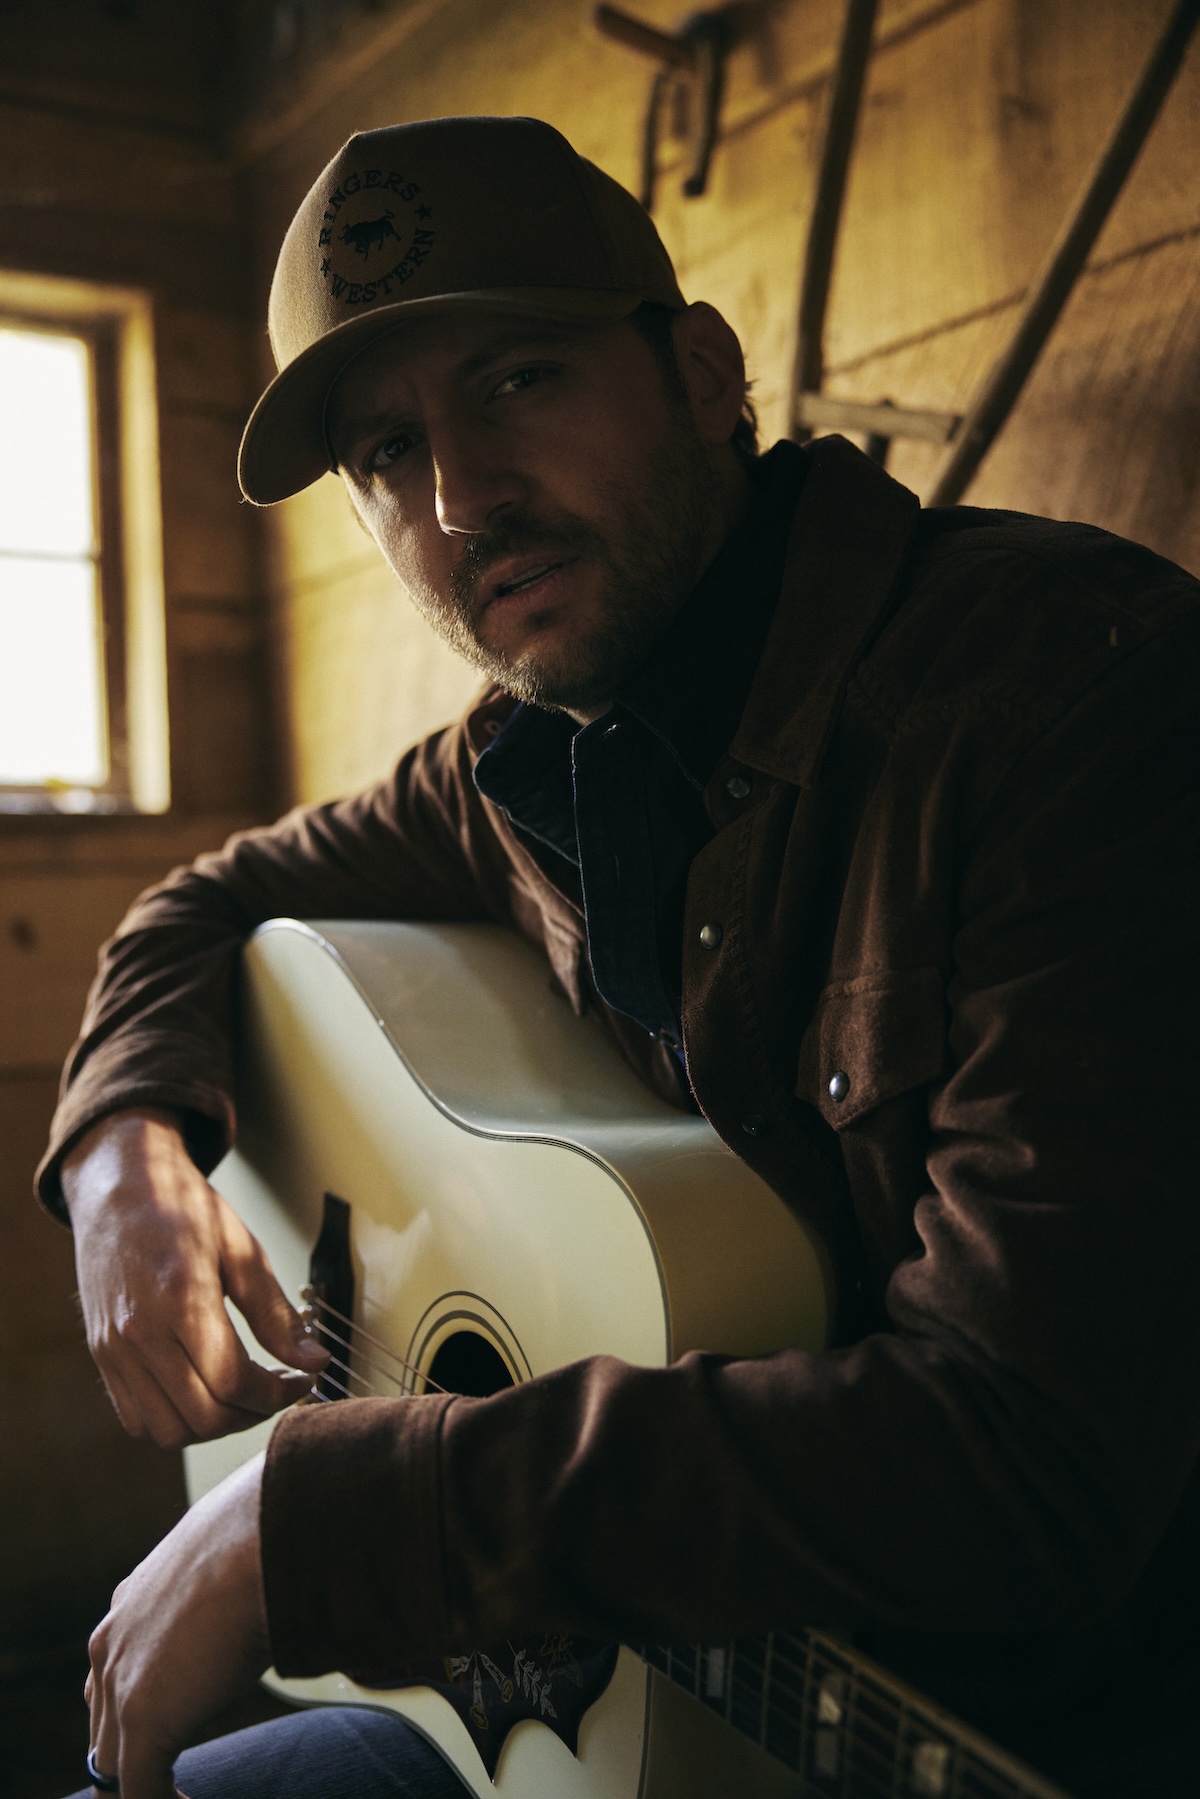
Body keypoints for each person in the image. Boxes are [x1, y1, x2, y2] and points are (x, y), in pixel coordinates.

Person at [44, 117, 1198, 1799]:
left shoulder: (1066, 694)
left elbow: (1031, 1468)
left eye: (517, 381)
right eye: (383, 454)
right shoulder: (517, 763)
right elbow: (200, 903)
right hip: (609, 1687)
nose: (457, 502)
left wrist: (347, 1514)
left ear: (706, 374)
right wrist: (125, 1155)